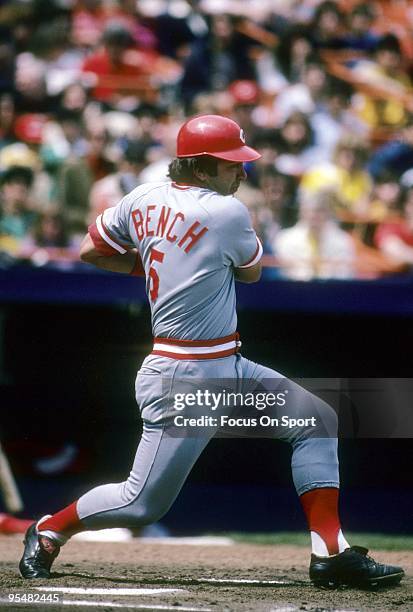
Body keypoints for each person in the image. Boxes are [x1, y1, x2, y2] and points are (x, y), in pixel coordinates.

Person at [19, 114, 404, 588]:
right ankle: (48, 529)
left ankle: (330, 552)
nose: (241, 173)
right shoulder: (226, 213)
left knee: (316, 420)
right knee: (140, 504)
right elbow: (252, 272)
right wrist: (186, 267)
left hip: (229, 367)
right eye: (230, 165)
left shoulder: (140, 196)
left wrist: (168, 269)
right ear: (200, 168)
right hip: (185, 376)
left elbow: (90, 250)